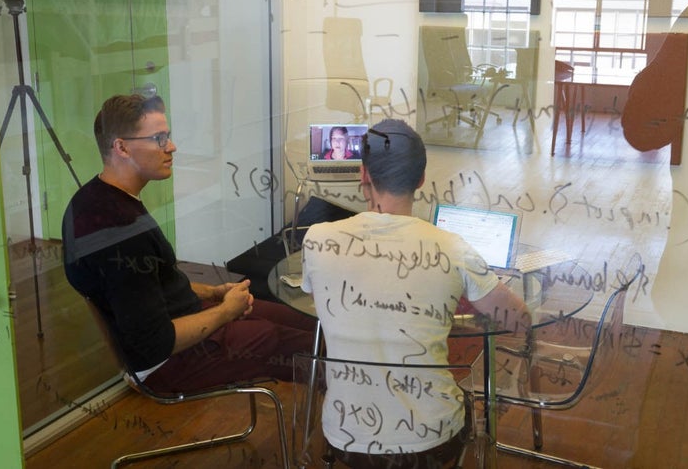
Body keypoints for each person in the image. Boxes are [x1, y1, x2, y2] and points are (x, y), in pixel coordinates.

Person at [301, 118, 532, 467]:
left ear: (364, 174)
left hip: (346, 438)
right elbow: (519, 320)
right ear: (421, 179)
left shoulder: (317, 240)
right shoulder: (453, 249)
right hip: (429, 441)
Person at [62, 94, 315, 393]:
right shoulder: (119, 232)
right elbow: (155, 344)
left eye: (167, 136)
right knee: (308, 344)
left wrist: (214, 292)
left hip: (185, 319)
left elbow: (151, 283)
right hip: (167, 365)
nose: (171, 146)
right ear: (122, 147)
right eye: (158, 138)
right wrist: (225, 312)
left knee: (306, 322)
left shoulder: (98, 198)